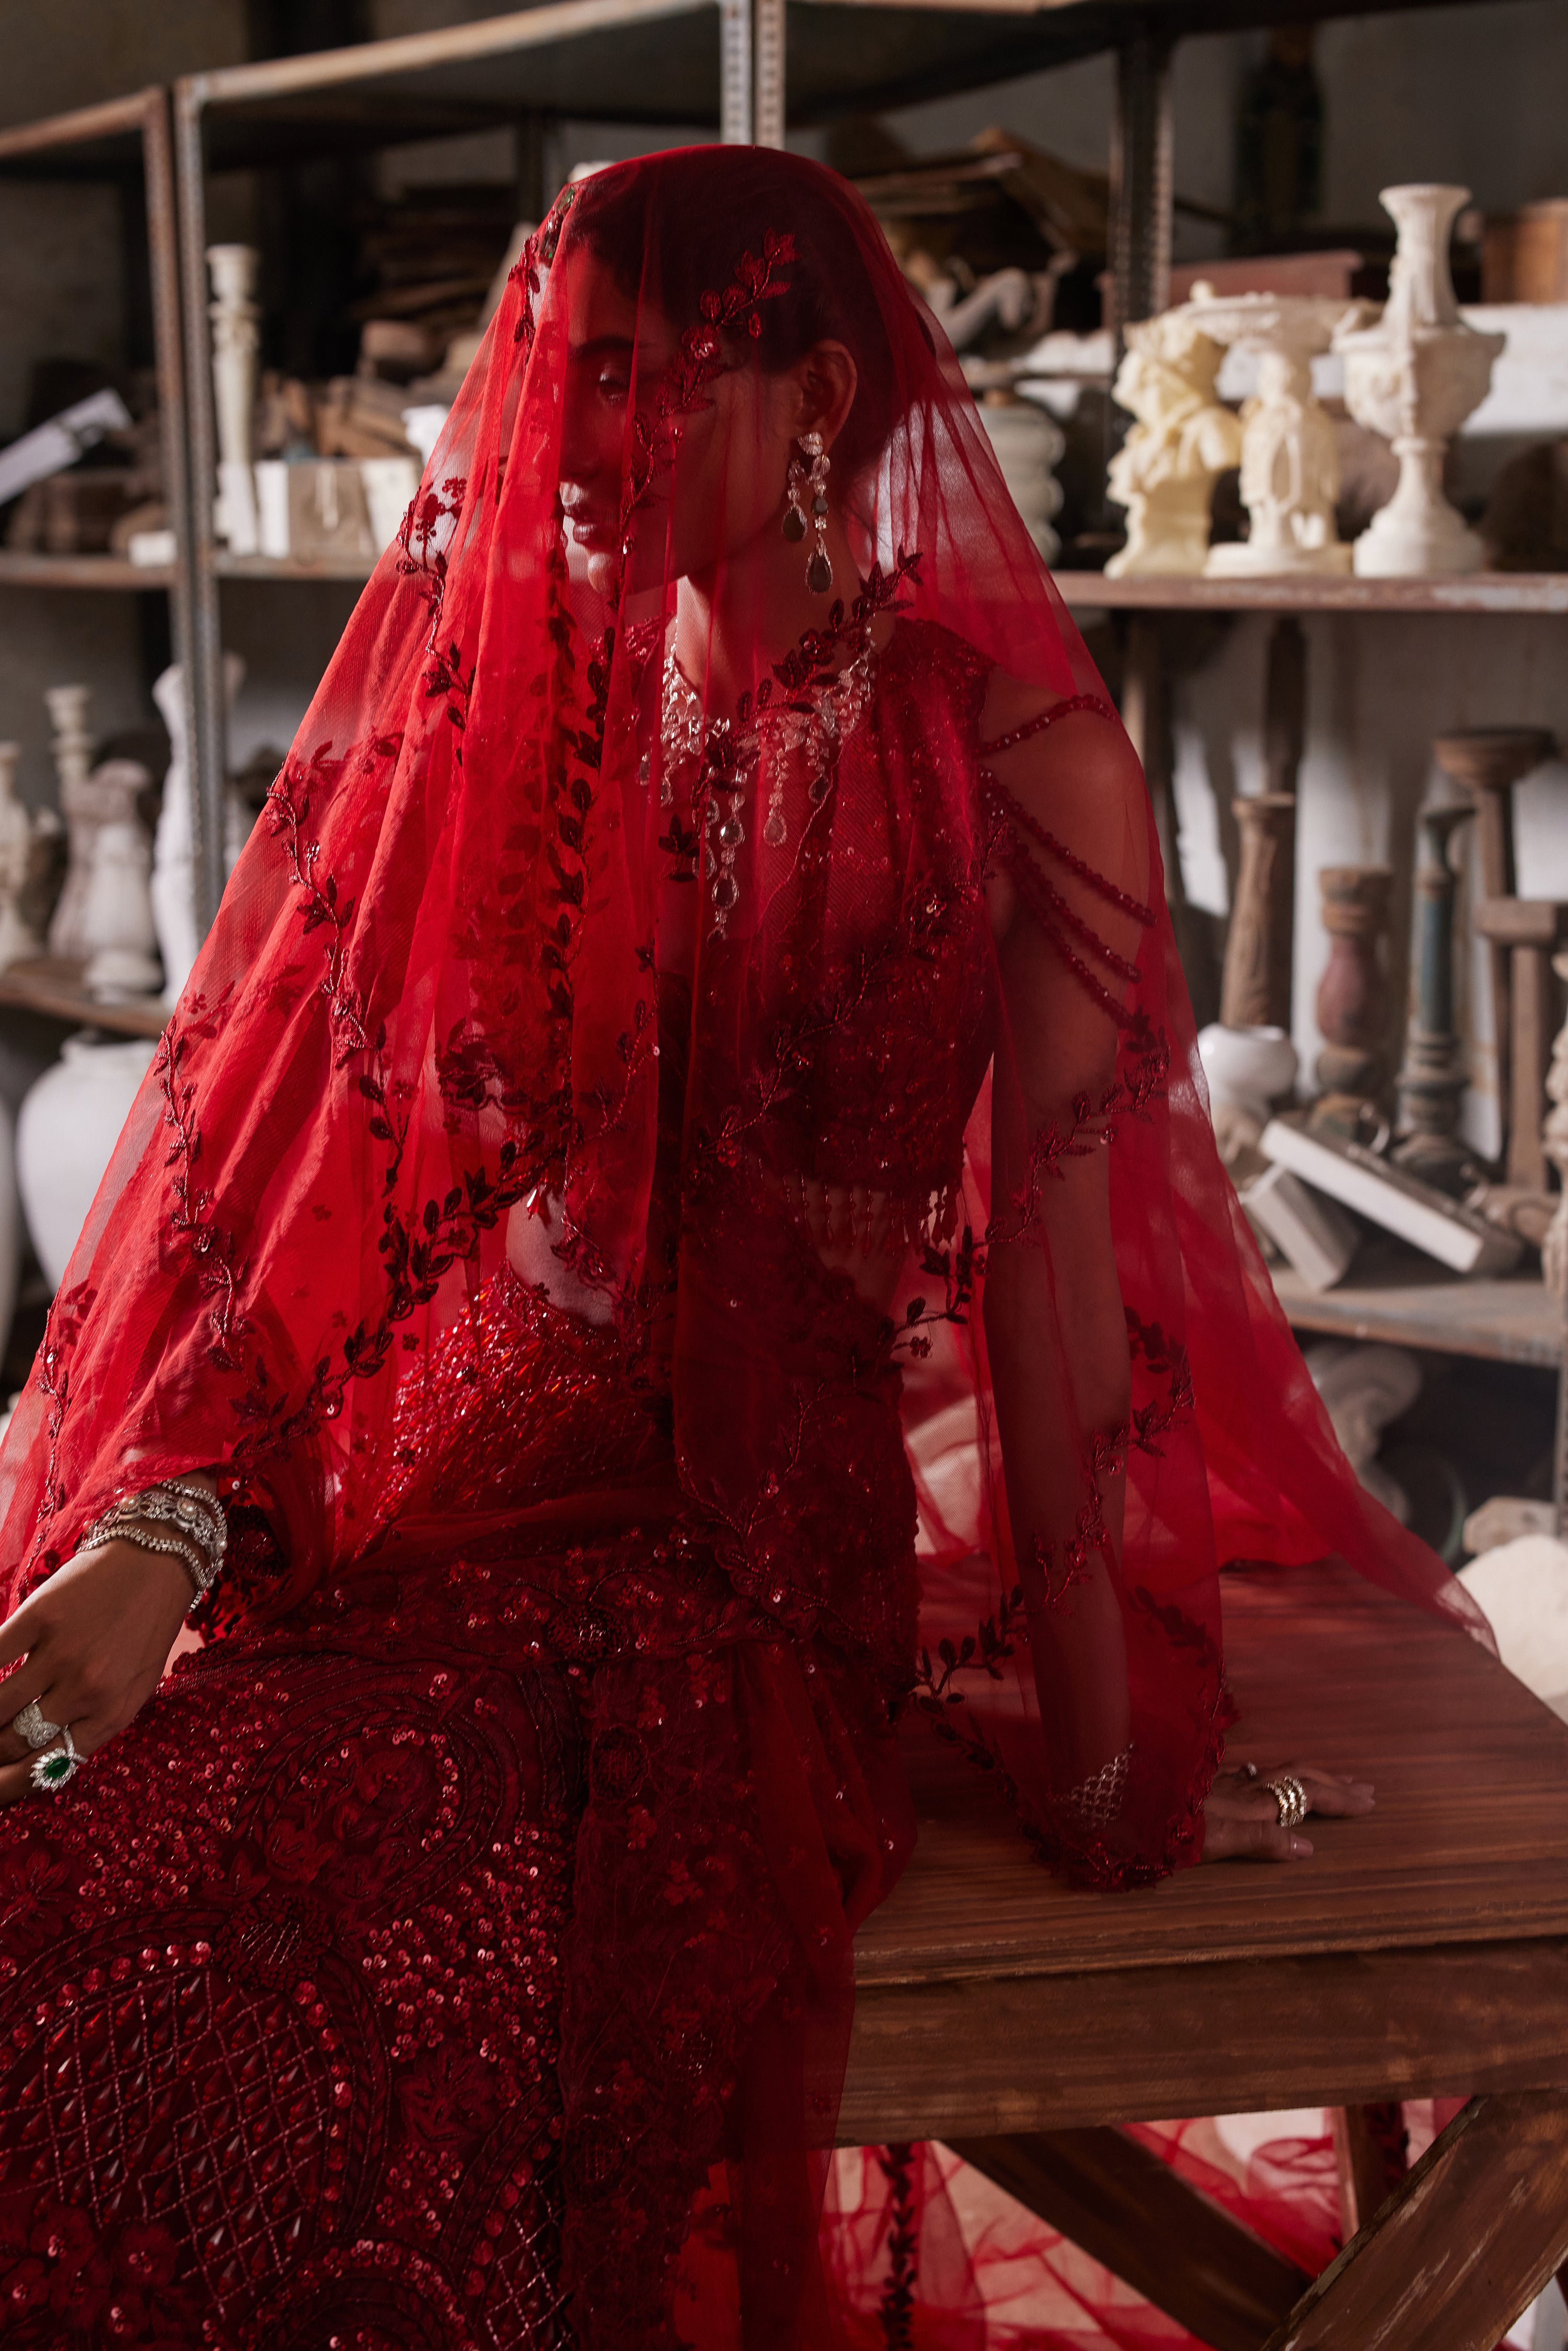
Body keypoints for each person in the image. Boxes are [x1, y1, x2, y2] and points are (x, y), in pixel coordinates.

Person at [0, 148, 1478, 2350]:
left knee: (327, 1969)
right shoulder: (497, 733)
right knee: (64, 1889)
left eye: (642, 380)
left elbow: (1065, 1290)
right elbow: (309, 1221)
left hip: (730, 1581)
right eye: (551, 377)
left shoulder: (1007, 760)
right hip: (411, 1522)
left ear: (817, 400)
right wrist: (177, 1531)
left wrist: (1102, 1753)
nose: (569, 441)